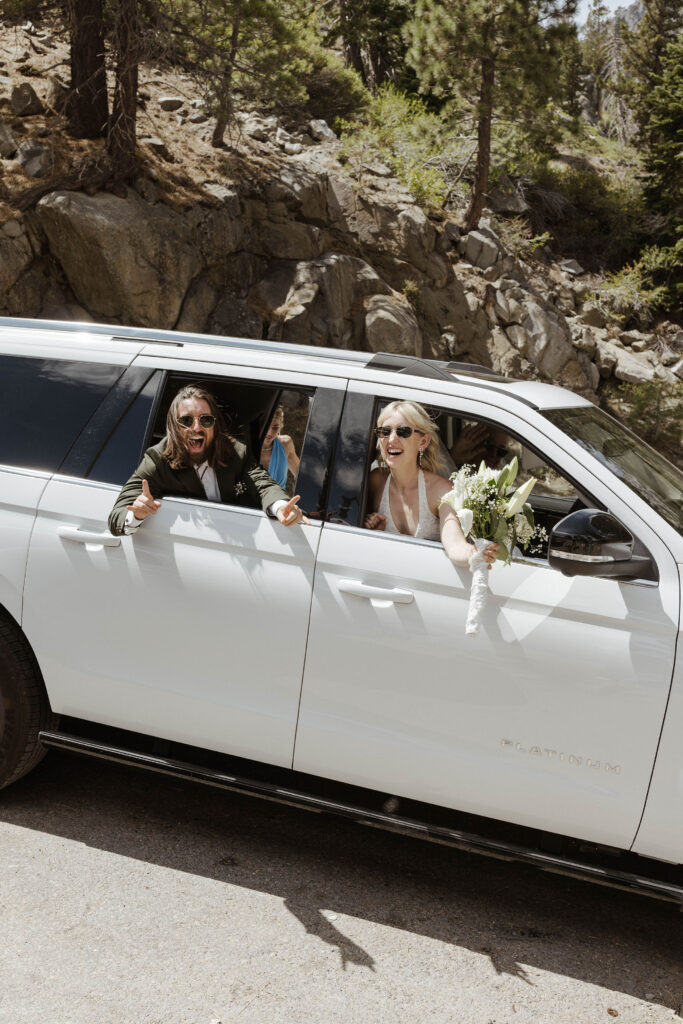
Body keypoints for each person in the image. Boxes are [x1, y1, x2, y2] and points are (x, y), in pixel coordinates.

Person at [109, 384, 306, 535]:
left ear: (214, 425)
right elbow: (117, 516)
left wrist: (282, 507)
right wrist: (136, 514)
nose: (196, 428)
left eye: (205, 420)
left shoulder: (236, 451)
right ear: (174, 427)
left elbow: (262, 484)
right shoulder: (157, 460)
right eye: (186, 420)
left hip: (242, 540)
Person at [364, 400, 498, 568]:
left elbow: (455, 544)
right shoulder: (375, 481)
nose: (391, 439)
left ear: (423, 442)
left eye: (403, 432)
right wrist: (368, 524)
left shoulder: (441, 491)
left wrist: (473, 553)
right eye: (385, 431)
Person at [259, 405, 299, 489]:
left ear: (280, 426)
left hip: (279, 501)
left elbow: (301, 476)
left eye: (275, 427)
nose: (270, 433)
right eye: (266, 426)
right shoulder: (247, 446)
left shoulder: (286, 444)